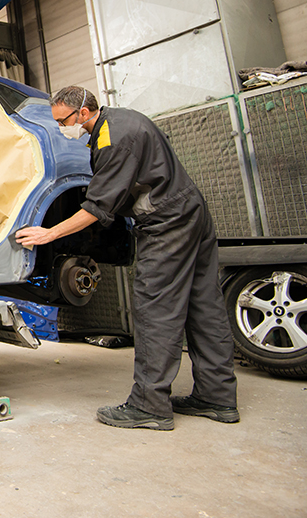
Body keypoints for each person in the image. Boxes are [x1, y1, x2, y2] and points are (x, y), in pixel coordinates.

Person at [15, 86, 238, 430]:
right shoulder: (122, 118)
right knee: (203, 304)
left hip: (167, 223)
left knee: (155, 308)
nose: (61, 128)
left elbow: (97, 207)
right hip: (191, 211)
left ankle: (150, 406)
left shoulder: (111, 139)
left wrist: (49, 234)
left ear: (84, 113)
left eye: (63, 121)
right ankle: (217, 397)